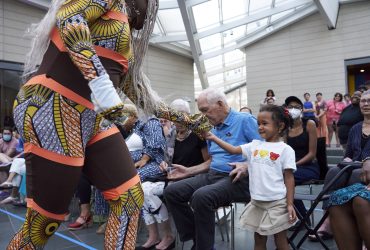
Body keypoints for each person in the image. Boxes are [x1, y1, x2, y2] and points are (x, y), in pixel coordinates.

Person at [9, 0, 213, 248]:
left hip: (90, 116)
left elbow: (141, 96)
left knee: (129, 198)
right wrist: (102, 87)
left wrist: (188, 120)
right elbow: (70, 17)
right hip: (53, 104)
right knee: (44, 221)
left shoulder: (125, 37)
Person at [164, 88, 260, 250]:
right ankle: (198, 239)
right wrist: (189, 171)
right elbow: (212, 161)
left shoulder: (245, 120)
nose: (203, 115)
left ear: (221, 104)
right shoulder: (212, 129)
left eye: (205, 110)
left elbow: (266, 150)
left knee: (202, 197)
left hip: (239, 178)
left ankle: (204, 246)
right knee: (172, 192)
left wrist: (246, 165)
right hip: (214, 175)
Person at [205, 104, 297, 250]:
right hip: (257, 202)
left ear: (280, 126)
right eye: (259, 123)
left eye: (265, 124)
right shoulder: (254, 145)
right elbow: (233, 149)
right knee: (259, 238)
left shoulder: (286, 150)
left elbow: (289, 178)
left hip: (277, 202)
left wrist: (290, 204)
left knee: (280, 240)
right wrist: (213, 138)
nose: (260, 127)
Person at [137, 99, 209, 250]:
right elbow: (168, 160)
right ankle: (155, 236)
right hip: (173, 175)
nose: (177, 121)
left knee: (160, 192)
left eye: (180, 117)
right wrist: (164, 163)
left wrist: (187, 171)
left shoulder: (198, 134)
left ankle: (170, 236)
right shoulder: (172, 134)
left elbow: (208, 163)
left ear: (188, 116)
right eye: (174, 118)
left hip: (192, 176)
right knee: (141, 189)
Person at [309, 90, 370, 242]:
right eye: (363, 101)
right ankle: (327, 220)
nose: (366, 104)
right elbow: (348, 153)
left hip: (365, 171)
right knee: (334, 171)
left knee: (356, 174)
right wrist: (347, 160)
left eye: (369, 101)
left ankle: (362, 231)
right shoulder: (356, 128)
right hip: (354, 166)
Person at [285, 96, 320, 223]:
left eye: (297, 107)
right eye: (290, 107)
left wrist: (294, 165)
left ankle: (303, 218)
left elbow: (312, 153)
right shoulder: (285, 128)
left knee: (286, 178)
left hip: (308, 166)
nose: (293, 109)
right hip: (291, 167)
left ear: (301, 109)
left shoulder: (309, 124)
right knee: (281, 178)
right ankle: (299, 217)